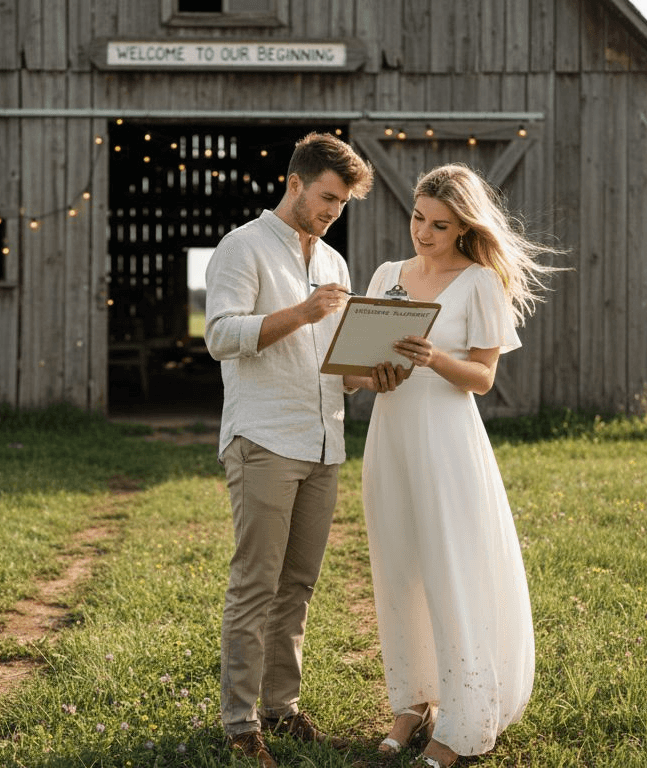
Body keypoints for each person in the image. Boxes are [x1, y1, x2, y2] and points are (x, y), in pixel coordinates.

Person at [350, 162, 560, 767]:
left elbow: (484, 377)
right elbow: (359, 368)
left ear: (464, 227)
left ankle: (463, 721)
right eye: (418, 218)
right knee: (399, 568)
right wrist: (373, 377)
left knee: (449, 570)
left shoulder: (481, 283)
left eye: (439, 225)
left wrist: (435, 359)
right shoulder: (388, 276)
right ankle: (411, 704)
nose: (423, 232)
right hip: (391, 437)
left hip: (447, 442)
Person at [204, 132, 399, 768]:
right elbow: (220, 335)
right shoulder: (242, 247)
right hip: (262, 437)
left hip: (325, 441)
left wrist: (377, 371)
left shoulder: (337, 264)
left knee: (299, 584)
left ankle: (281, 711)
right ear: (295, 184)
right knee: (256, 583)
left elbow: (335, 366)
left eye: (341, 204)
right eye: (326, 198)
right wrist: (304, 311)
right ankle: (240, 725)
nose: (332, 211)